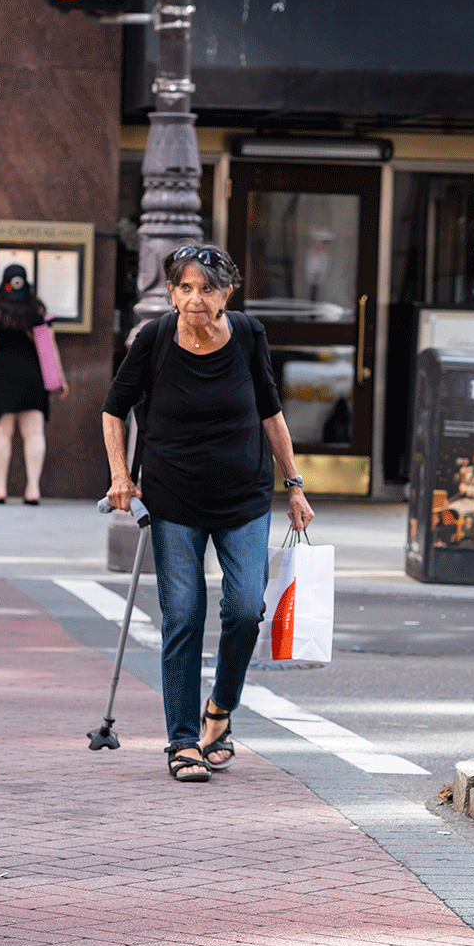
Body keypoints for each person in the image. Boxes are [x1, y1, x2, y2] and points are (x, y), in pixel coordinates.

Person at [102, 244, 313, 783]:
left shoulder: (247, 335)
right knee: (185, 614)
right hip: (173, 499)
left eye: (208, 288)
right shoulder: (153, 340)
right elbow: (112, 409)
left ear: (227, 293)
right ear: (171, 292)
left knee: (245, 608)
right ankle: (182, 741)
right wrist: (122, 476)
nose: (196, 298)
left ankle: (219, 710)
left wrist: (295, 485)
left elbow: (271, 412)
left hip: (243, 496)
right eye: (186, 287)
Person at [0, 264, 68, 504]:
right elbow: (50, 349)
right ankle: (33, 490)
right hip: (33, 378)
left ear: (4, 284)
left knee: (2, 433)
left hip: (2, 378)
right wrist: (59, 380)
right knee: (34, 433)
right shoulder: (38, 312)